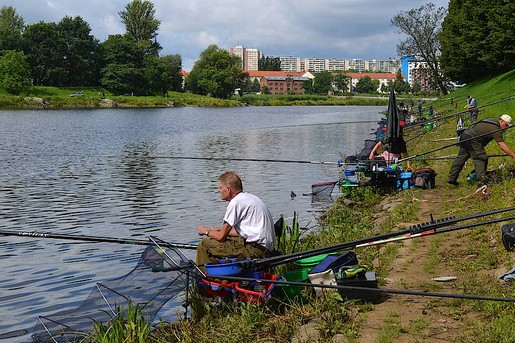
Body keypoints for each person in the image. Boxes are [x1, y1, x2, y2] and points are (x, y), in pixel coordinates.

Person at [196, 171, 275, 267]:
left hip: (255, 250)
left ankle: (204, 277)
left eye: (220, 188)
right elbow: (242, 232)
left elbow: (221, 237)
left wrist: (205, 231)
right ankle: (221, 274)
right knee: (218, 239)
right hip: (264, 247)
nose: (218, 190)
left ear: (228, 189)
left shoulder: (236, 203)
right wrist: (216, 229)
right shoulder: (249, 197)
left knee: (205, 243)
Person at [447, 115, 515, 185]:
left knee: (461, 158)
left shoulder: (492, 120)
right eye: (506, 125)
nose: (506, 128)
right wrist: (513, 155)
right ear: (501, 121)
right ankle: (481, 182)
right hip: (472, 139)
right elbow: (502, 145)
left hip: (465, 135)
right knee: (481, 158)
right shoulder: (495, 129)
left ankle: (451, 178)